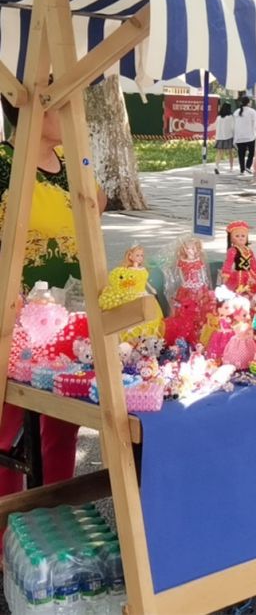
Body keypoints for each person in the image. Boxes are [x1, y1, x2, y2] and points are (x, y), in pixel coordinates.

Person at [0, 94, 107, 511]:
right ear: (27, 107)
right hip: (16, 327)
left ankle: (54, 518)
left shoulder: (70, 162)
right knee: (8, 435)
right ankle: (7, 529)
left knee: (63, 426)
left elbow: (96, 203)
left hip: (69, 323)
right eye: (60, 104)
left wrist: (83, 162)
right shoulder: (4, 164)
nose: (70, 111)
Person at [233, 95, 256, 176]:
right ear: (249, 102)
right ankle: (248, 166)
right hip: (250, 136)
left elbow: (234, 125)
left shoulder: (236, 112)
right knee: (251, 153)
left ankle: (242, 170)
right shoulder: (252, 112)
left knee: (241, 155)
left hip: (239, 137)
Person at [213, 101, 234, 175]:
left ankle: (216, 166)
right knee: (230, 153)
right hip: (229, 136)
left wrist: (216, 137)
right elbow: (233, 127)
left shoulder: (218, 117)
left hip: (219, 137)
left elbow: (216, 127)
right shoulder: (230, 117)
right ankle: (231, 168)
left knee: (219, 153)